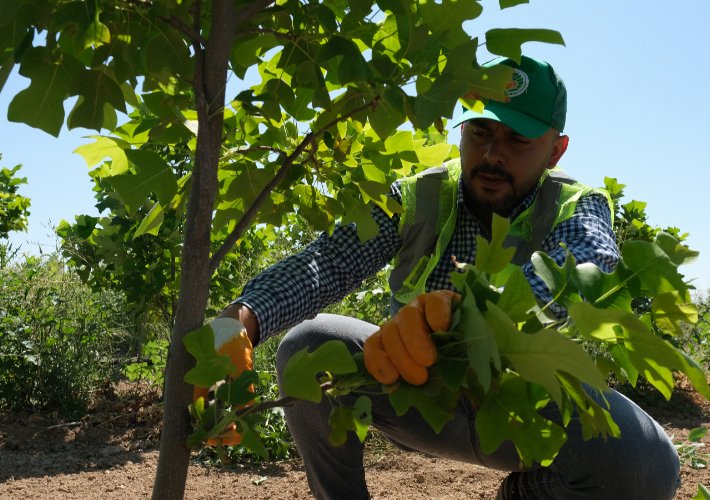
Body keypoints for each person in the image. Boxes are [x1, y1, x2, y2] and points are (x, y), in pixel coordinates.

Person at [215, 56, 681, 499]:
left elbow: (590, 264)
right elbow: (329, 262)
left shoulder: (577, 205)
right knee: (310, 344)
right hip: (420, 400)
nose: (493, 154)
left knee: (647, 464)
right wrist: (241, 318)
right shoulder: (419, 196)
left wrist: (475, 317)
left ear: (556, 150)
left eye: (518, 139)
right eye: (480, 130)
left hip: (526, 412)